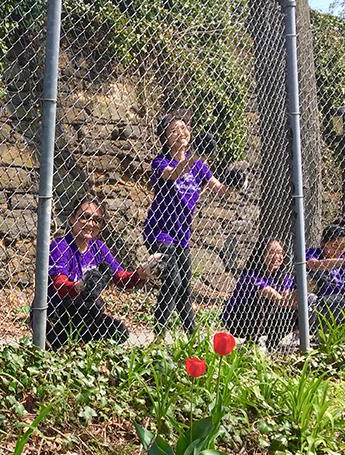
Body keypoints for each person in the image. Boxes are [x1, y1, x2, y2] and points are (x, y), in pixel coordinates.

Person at [143, 110, 243, 336]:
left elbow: (221, 190)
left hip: (182, 236)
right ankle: (159, 336)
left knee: (184, 286)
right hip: (159, 231)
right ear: (165, 138)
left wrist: (238, 182)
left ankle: (191, 335)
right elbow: (174, 174)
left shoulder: (199, 167)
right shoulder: (160, 162)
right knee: (173, 281)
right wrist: (196, 156)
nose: (181, 132)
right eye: (174, 130)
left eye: (184, 128)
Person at [37, 197, 162, 349]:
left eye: (97, 220)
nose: (90, 224)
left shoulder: (98, 247)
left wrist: (144, 271)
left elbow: (121, 278)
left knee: (118, 331)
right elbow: (58, 284)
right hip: (57, 314)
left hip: (84, 314)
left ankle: (84, 348)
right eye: (84, 217)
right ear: (72, 219)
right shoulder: (61, 246)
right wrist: (79, 286)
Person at [221, 239, 297, 349]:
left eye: (280, 253)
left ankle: (272, 343)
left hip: (267, 317)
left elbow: (286, 296)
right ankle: (253, 340)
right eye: (271, 252)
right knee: (262, 300)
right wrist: (295, 301)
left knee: (302, 307)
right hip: (239, 320)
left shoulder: (283, 276)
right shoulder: (250, 275)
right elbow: (276, 297)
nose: (277, 257)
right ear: (261, 254)